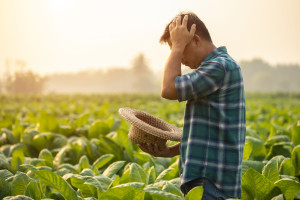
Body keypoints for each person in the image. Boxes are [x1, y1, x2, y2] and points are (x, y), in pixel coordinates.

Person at [138, 12, 246, 200]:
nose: (179, 58)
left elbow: (169, 89)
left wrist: (177, 47)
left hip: (211, 183)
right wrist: (170, 151)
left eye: (179, 49)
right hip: (208, 182)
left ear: (195, 39)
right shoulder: (217, 67)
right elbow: (208, 134)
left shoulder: (219, 67)